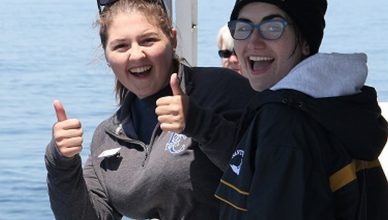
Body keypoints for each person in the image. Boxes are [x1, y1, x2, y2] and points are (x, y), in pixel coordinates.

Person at [44, 0, 255, 219]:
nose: (136, 55)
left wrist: (198, 122)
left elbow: (265, 171)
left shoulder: (220, 88)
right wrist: (60, 161)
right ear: (107, 56)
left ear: (172, 39)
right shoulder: (107, 137)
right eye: (121, 46)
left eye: (148, 40)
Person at [215, 0, 388, 219]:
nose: (254, 41)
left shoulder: (283, 123)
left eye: (273, 28)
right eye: (243, 28)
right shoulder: (333, 106)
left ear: (305, 42)